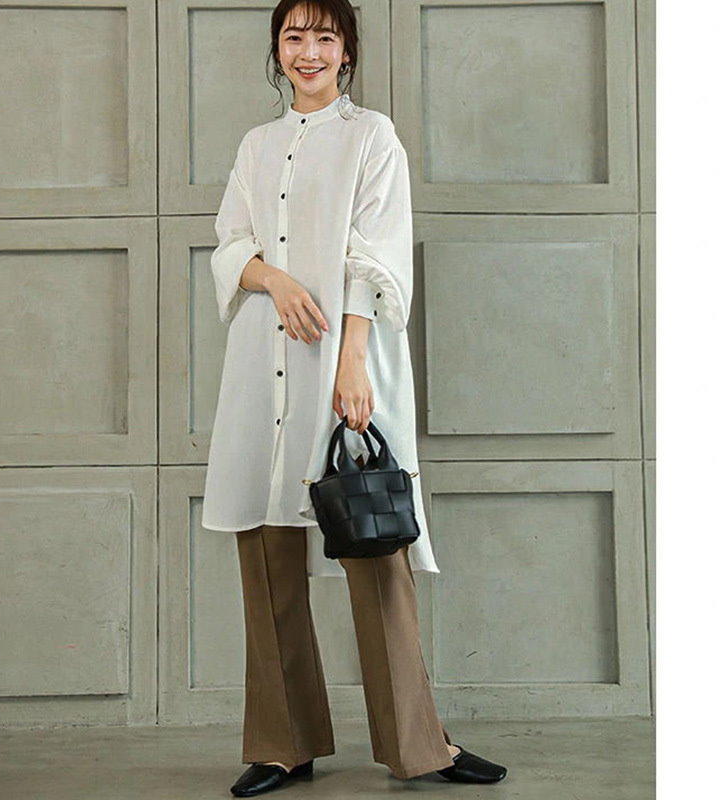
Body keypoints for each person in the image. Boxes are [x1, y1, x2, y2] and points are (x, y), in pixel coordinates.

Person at [202, 1, 509, 795]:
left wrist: (352, 364)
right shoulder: (256, 145)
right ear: (277, 49)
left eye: (325, 37)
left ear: (347, 51)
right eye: (294, 37)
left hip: (340, 357)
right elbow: (231, 244)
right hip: (262, 358)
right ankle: (283, 745)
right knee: (267, 551)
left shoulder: (373, 138)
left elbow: (375, 257)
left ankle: (422, 747)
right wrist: (272, 279)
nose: (308, 51)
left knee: (373, 540)